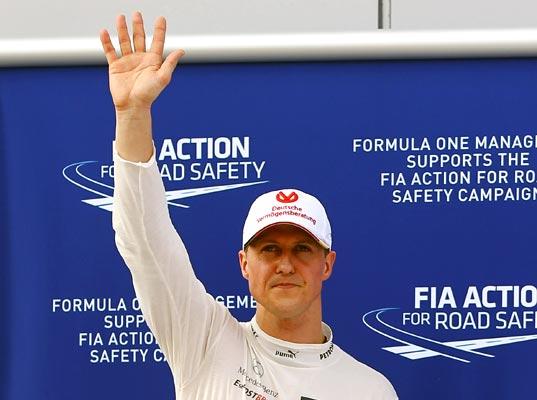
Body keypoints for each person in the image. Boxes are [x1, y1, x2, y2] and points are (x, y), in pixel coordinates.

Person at [101, 12, 398, 399]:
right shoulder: (204, 340)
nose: (286, 264)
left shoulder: (370, 390)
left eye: (302, 249)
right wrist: (133, 115)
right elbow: (145, 244)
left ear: (327, 264)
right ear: (245, 263)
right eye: (270, 249)